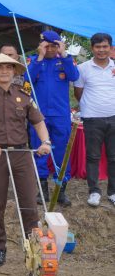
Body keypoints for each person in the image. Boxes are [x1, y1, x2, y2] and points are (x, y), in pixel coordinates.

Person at [0, 54, 51, 268]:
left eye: (8, 67)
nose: (4, 71)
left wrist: (46, 142)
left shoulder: (24, 96)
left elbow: (38, 122)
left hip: (22, 155)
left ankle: (32, 247)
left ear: (14, 71)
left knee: (29, 204)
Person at [25, 31, 79, 206]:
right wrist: (39, 57)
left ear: (58, 45)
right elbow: (27, 80)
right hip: (38, 115)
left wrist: (63, 54)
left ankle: (60, 189)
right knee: (39, 150)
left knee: (61, 152)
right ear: (41, 45)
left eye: (53, 45)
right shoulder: (33, 61)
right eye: (46, 45)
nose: (50, 49)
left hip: (60, 115)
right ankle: (42, 191)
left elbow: (74, 76)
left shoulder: (65, 60)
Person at [74, 33, 115, 207]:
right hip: (92, 117)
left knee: (114, 157)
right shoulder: (83, 68)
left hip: (113, 116)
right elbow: (78, 92)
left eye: (105, 46)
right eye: (98, 47)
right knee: (93, 156)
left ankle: (112, 192)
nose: (101, 50)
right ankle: (94, 192)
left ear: (110, 48)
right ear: (92, 48)